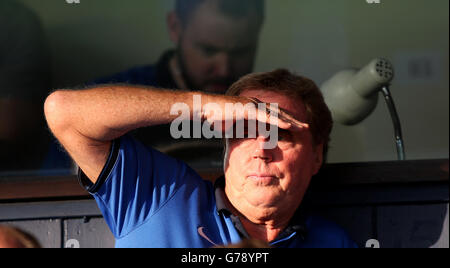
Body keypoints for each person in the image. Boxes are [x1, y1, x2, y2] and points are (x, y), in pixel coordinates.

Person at [44, 69, 357, 247]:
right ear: (226, 146)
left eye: (281, 134)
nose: (262, 149)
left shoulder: (332, 241)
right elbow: (63, 112)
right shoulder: (163, 196)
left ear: (316, 156)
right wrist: (203, 107)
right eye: (245, 130)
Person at [91, 0, 265, 162]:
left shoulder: (269, 107)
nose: (224, 69)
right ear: (175, 27)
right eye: (208, 50)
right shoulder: (109, 102)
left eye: (241, 52)